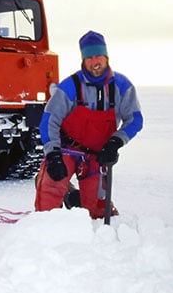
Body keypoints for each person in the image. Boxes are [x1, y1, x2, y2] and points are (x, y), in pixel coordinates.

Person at [35, 30, 143, 219]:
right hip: (66, 150)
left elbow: (135, 120)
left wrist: (115, 142)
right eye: (89, 57)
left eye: (98, 56)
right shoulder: (70, 86)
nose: (95, 62)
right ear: (83, 60)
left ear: (106, 57)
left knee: (98, 213)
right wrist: (53, 154)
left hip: (97, 156)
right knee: (49, 198)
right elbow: (49, 120)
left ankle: (73, 197)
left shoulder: (121, 86)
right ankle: (49, 222)